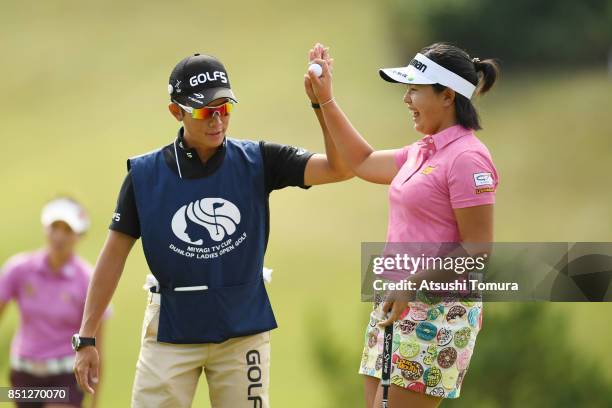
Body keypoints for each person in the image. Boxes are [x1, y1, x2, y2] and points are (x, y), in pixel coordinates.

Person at [73, 51, 351, 408]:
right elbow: (112, 257)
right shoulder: (143, 176)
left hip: (243, 331)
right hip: (171, 331)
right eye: (205, 111)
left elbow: (339, 168)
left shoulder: (260, 159)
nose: (217, 120)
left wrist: (321, 103)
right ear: (176, 111)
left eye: (225, 108)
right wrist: (87, 336)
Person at [307, 42, 500, 407]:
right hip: (397, 300)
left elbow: (478, 248)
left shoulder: (468, 159)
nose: (406, 99)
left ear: (447, 96)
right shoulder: (423, 151)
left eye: (414, 89)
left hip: (437, 310)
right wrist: (324, 101)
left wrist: (412, 284)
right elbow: (361, 161)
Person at [0, 197, 109, 408]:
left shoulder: (87, 280)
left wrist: (95, 399)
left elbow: (98, 346)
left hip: (65, 375)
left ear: (79, 235)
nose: (59, 236)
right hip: (24, 376)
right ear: (45, 229)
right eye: (54, 228)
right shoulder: (19, 269)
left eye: (67, 230)